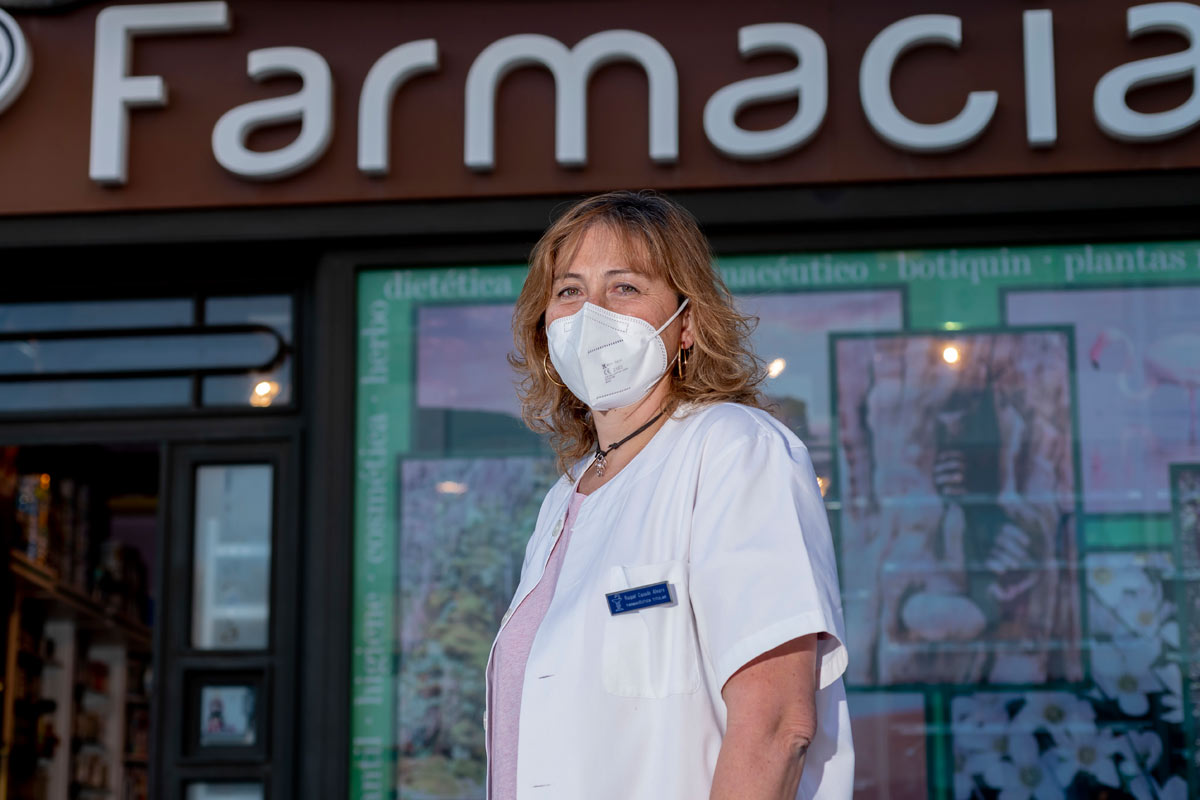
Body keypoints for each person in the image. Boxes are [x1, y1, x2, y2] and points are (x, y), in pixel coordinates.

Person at [486, 190, 852, 799]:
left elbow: (776, 725)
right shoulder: (566, 497)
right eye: (569, 291)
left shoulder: (734, 449)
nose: (589, 314)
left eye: (624, 288)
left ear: (686, 322)